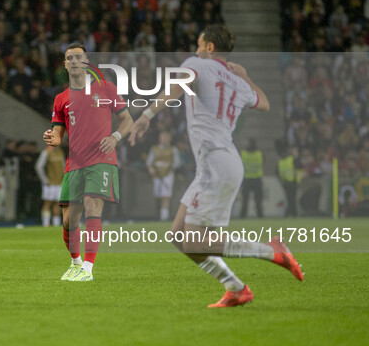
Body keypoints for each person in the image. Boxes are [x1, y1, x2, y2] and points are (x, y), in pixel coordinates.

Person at [129, 25, 304, 307]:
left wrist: (147, 114)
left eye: (199, 44)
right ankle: (235, 288)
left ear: (209, 47)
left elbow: (177, 87)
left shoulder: (198, 64)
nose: (196, 48)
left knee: (196, 241)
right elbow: (265, 104)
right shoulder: (238, 82)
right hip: (219, 161)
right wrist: (246, 77)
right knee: (177, 235)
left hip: (215, 161)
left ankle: (271, 251)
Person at [43, 43, 134, 282]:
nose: (73, 61)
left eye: (78, 57)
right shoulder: (61, 99)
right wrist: (51, 137)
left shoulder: (106, 89)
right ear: (65, 65)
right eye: (68, 58)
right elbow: (58, 136)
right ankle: (75, 264)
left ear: (86, 62)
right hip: (75, 163)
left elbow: (127, 120)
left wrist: (115, 137)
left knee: (92, 208)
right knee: (68, 220)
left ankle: (88, 269)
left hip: (101, 159)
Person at [146, 130, 181, 221]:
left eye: (166, 138)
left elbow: (177, 162)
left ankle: (164, 216)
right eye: (163, 138)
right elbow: (149, 161)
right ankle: (158, 213)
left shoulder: (173, 149)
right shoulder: (154, 149)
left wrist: (169, 167)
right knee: (158, 195)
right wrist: (151, 168)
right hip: (157, 175)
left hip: (168, 174)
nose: (164, 140)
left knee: (166, 195)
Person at [35, 145, 66, 227]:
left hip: (59, 183)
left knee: (58, 204)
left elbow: (64, 166)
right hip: (49, 183)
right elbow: (38, 166)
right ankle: (46, 224)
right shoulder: (46, 152)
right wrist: (44, 180)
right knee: (47, 203)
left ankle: (56, 225)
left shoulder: (60, 152)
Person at [240, 138, 264, 218]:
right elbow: (263, 162)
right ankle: (260, 215)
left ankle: (243, 216)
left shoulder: (243, 153)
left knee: (245, 200)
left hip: (247, 179)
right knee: (258, 200)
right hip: (257, 179)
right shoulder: (259, 153)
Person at [277, 140, 299, 217]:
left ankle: (291, 214)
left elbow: (278, 173)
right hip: (292, 181)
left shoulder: (280, 161)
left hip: (285, 182)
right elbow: (297, 168)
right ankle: (291, 214)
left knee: (290, 200)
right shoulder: (291, 159)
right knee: (292, 200)